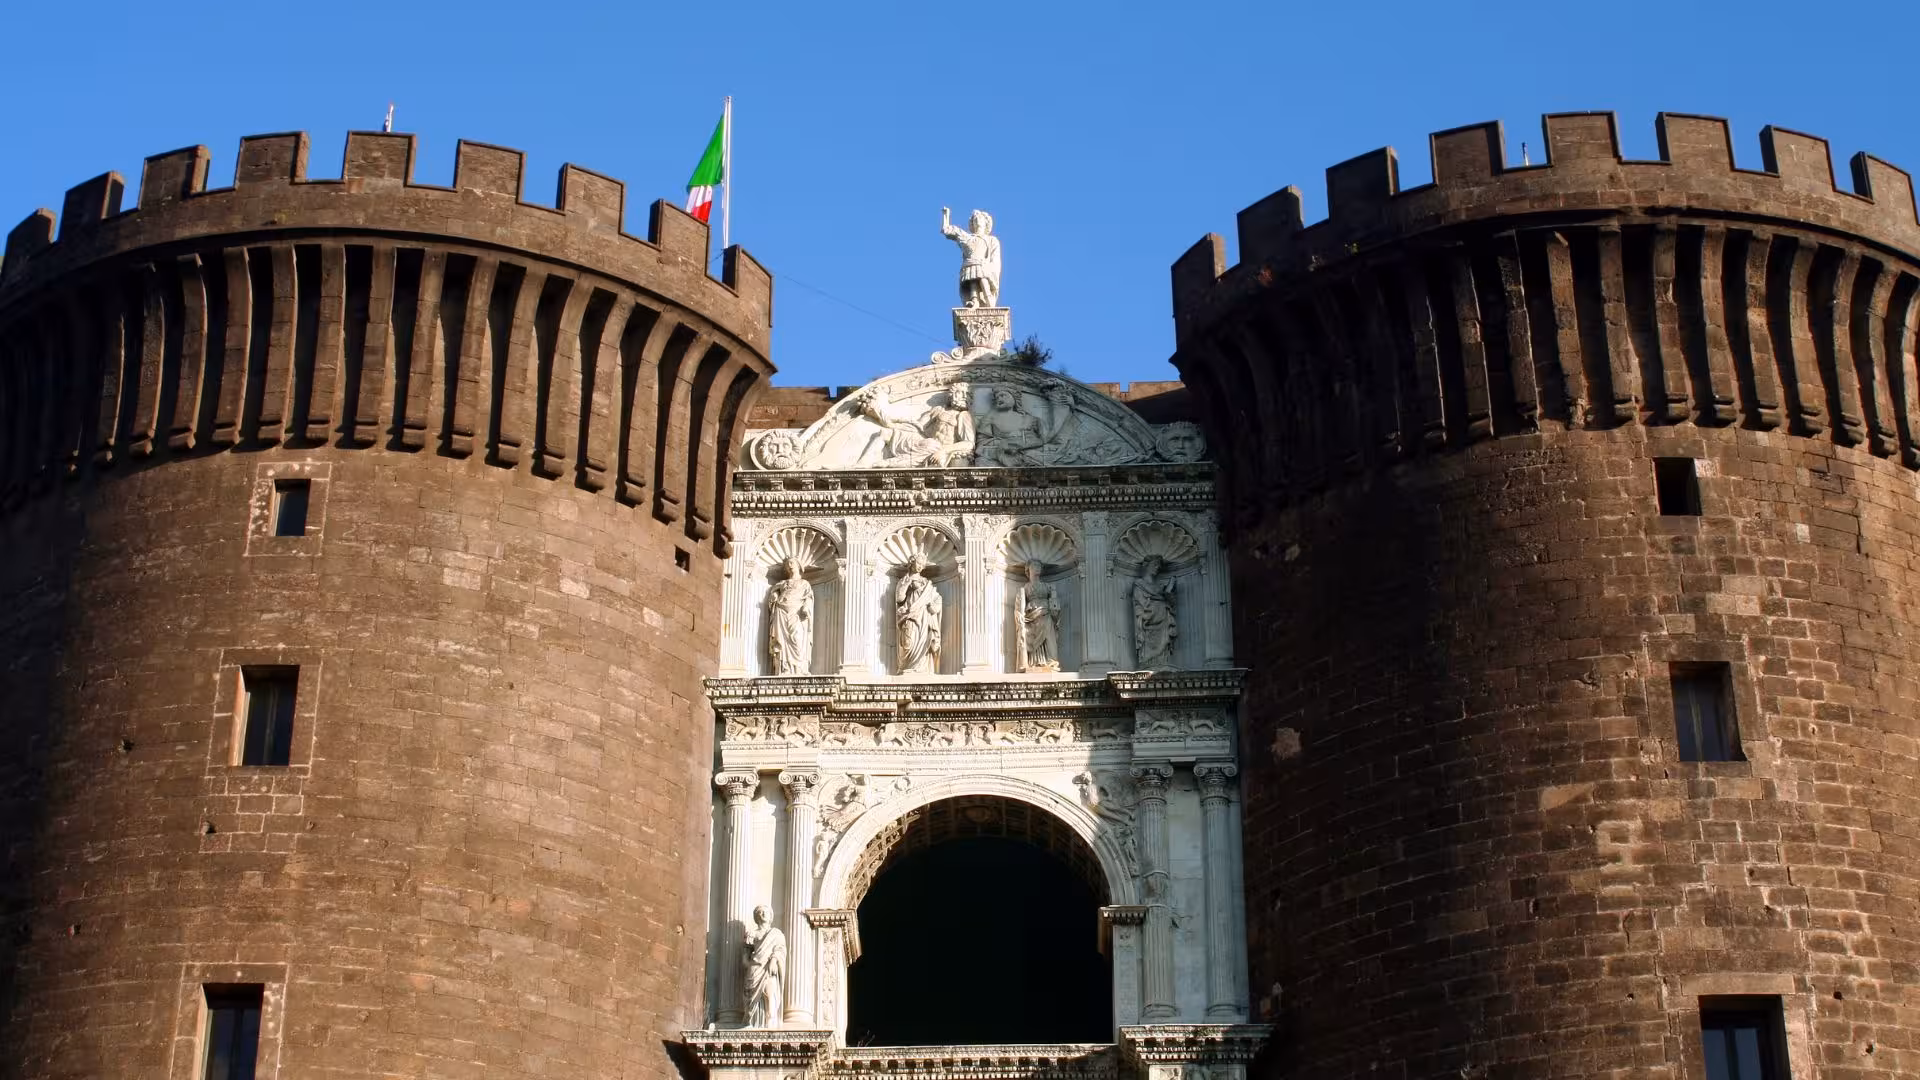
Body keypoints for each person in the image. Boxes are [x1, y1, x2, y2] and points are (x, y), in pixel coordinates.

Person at [941, 207, 1002, 308]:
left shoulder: (991, 240)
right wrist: (945, 216)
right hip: (969, 263)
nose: (977, 220)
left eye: (980, 218)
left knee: (983, 279)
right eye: (975, 219)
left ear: (986, 223)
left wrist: (991, 269)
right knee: (972, 280)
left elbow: (995, 260)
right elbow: (948, 230)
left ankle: (989, 300)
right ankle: (975, 300)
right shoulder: (968, 238)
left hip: (983, 265)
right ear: (972, 223)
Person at [895, 553, 943, 674]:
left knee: (923, 642)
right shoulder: (904, 580)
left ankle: (921, 669)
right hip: (910, 615)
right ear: (912, 562)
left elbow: (936, 597)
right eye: (918, 563)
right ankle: (907, 667)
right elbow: (899, 599)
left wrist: (934, 606)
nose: (920, 566)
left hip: (924, 617)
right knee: (908, 643)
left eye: (922, 564)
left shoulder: (926, 582)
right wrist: (906, 585)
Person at [765, 557, 813, 675]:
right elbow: (774, 592)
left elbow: (808, 598)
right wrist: (775, 595)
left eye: (792, 563)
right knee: (781, 640)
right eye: (787, 564)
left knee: (797, 637)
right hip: (781, 611)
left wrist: (806, 607)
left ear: (798, 565)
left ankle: (799, 668)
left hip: (796, 612)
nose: (789, 565)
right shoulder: (782, 583)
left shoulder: (804, 584)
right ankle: (784, 668)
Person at [742, 905, 786, 1027]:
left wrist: (773, 960)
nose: (763, 914)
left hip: (769, 970)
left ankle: (770, 1025)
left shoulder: (777, 934)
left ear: (771, 916)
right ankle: (752, 1024)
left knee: (771, 997)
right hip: (754, 970)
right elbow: (744, 958)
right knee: (752, 1004)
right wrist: (751, 966)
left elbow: (780, 949)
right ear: (756, 917)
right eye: (760, 912)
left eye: (765, 912)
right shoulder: (751, 934)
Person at [1132, 556, 1178, 669]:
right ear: (1146, 566)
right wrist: (1151, 610)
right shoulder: (1139, 584)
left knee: (1164, 641)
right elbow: (1139, 604)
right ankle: (1148, 663)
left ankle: (1161, 661)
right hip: (1148, 620)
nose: (1157, 568)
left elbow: (1171, 603)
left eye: (1159, 566)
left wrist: (1169, 593)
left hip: (1163, 620)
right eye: (1155, 565)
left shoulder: (1160, 587)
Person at [1017, 563, 1062, 672]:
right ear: (1028, 570)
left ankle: (1050, 661)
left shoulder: (1047, 586)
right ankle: (1034, 663)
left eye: (1039, 566)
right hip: (1030, 617)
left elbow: (1054, 604)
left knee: (1049, 638)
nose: (1037, 568)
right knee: (1031, 639)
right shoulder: (1025, 588)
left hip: (1046, 615)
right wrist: (1020, 618)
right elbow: (1020, 606)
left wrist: (1054, 595)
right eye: (1034, 566)